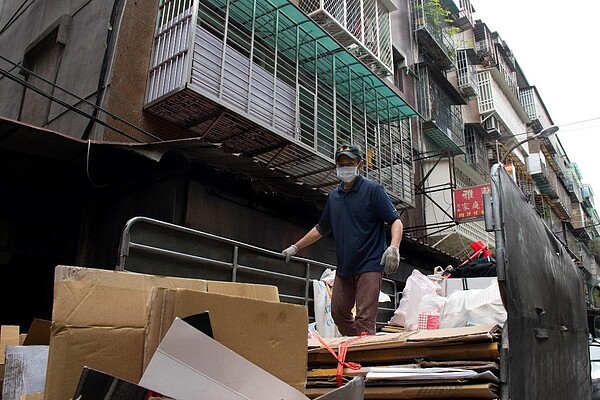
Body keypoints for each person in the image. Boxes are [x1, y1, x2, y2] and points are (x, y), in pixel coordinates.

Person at [282, 144, 403, 336]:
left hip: (370, 263)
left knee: (364, 318)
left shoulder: (373, 190)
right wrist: (295, 247)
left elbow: (395, 220)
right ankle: (359, 343)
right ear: (335, 166)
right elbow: (321, 228)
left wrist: (393, 248)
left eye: (350, 163)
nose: (345, 167)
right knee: (339, 314)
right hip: (345, 266)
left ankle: (365, 354)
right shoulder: (334, 197)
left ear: (360, 165)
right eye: (341, 163)